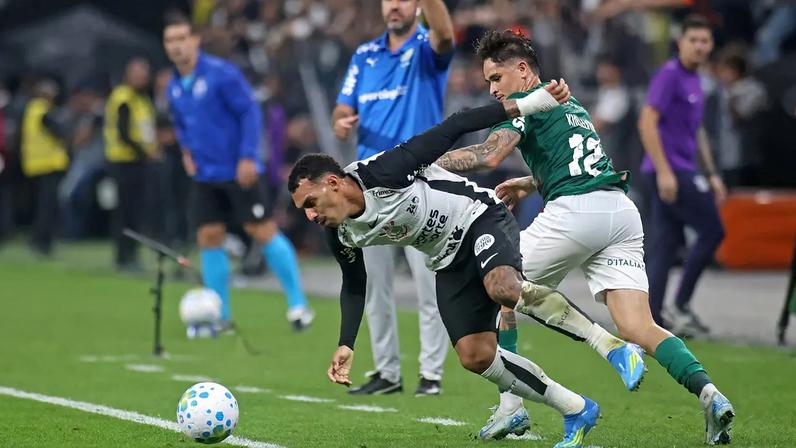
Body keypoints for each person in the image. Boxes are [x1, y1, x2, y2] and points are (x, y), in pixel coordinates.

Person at [435, 29, 734, 445]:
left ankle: (514, 405)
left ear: (522, 72)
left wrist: (428, 162)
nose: (492, 89)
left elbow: (489, 154)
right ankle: (710, 395)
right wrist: (529, 181)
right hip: (619, 213)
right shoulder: (568, 102)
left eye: (496, 79)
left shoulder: (528, 104)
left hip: (575, 213)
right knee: (640, 324)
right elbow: (575, 159)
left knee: (496, 286)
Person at [290, 94, 602, 448]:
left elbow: (456, 124)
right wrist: (346, 343)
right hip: (445, 256)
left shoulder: (387, 170)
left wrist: (531, 103)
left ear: (332, 182)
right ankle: (574, 407)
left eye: (310, 203)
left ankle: (606, 343)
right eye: (303, 210)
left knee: (504, 289)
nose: (310, 217)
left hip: (478, 218)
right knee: (474, 355)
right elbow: (354, 283)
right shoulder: (339, 231)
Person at [331, 0, 454, 396]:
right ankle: (387, 372)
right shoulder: (364, 55)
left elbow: (447, 35)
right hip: (368, 187)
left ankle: (430, 374)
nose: (394, 6)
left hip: (420, 182)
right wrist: (340, 121)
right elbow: (343, 106)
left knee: (428, 283)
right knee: (374, 286)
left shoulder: (425, 49)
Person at [163, 14, 314, 331]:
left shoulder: (222, 74)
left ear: (195, 41)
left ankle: (298, 304)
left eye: (181, 38)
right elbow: (180, 122)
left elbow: (248, 113)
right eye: (170, 40)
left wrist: (247, 157)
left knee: (261, 230)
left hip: (238, 169)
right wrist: (187, 151)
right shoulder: (174, 85)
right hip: (205, 174)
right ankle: (220, 314)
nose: (176, 46)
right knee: (209, 236)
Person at [637, 15, 727, 337]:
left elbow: (697, 129)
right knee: (713, 231)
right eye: (694, 40)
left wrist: (712, 172)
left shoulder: (695, 79)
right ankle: (681, 305)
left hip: (682, 169)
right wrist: (664, 171)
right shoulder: (670, 75)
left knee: (666, 243)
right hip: (670, 171)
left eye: (705, 41)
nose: (700, 46)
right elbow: (647, 123)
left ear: (711, 45)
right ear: (681, 43)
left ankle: (652, 318)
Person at [104, 58, 157, 272]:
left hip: (137, 161)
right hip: (124, 162)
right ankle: (124, 256)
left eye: (144, 75)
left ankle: (130, 254)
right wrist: (146, 152)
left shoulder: (141, 99)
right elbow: (124, 133)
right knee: (126, 212)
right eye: (138, 75)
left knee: (135, 211)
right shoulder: (124, 98)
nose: (142, 79)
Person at [20, 79, 68, 257]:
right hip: (48, 164)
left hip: (35, 165)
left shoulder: (31, 110)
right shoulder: (43, 111)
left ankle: (37, 240)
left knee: (40, 206)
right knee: (47, 208)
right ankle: (43, 243)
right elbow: (59, 133)